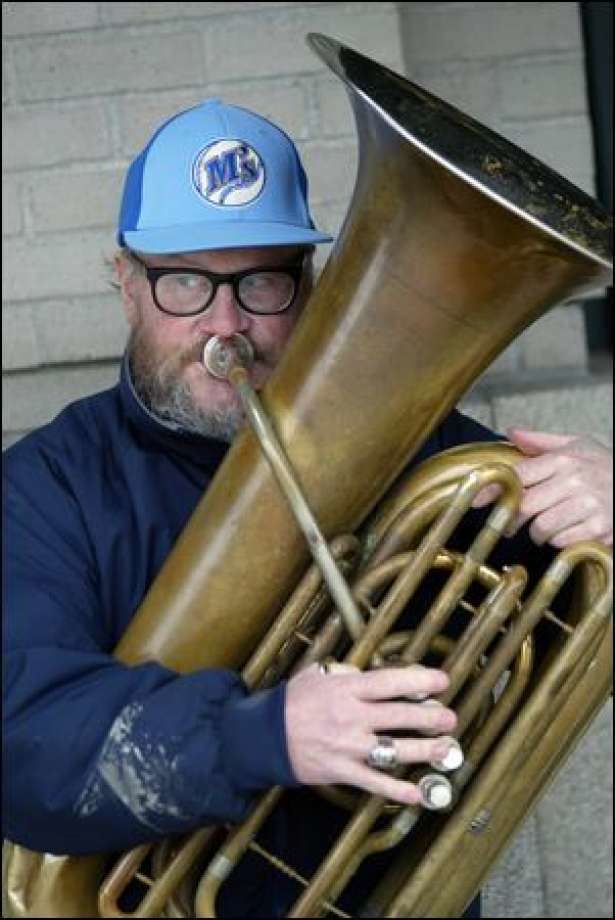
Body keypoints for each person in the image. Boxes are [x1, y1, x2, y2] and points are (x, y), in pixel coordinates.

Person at [3, 99, 612, 919]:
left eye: (261, 281)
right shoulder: (45, 489)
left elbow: (575, 628)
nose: (226, 324)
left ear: (309, 285)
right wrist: (267, 736)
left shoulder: (428, 456)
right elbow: (25, 744)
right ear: (126, 284)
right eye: (183, 280)